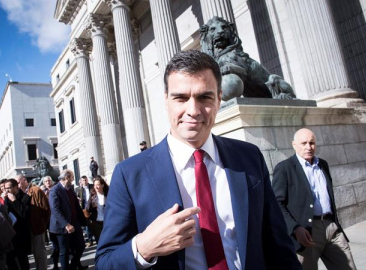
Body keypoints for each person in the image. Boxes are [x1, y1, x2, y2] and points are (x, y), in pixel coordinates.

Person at [95, 50, 300, 269]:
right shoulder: (129, 175)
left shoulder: (249, 157)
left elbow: (278, 245)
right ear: (166, 100)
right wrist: (143, 248)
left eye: (204, 97)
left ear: (219, 98)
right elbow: (105, 262)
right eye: (181, 98)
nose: (193, 111)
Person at [272, 128, 357, 270]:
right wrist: (295, 228)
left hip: (331, 228)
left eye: (312, 143)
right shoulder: (285, 168)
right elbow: (276, 203)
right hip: (306, 233)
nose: (308, 147)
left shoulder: (322, 164)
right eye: (303, 143)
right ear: (294, 145)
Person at [49, 169, 88, 270]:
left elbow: (76, 206)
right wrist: (66, 224)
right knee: (64, 252)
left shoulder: (70, 189)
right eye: (72, 177)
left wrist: (83, 221)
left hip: (75, 223)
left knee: (80, 246)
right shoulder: (55, 190)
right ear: (66, 177)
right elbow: (55, 209)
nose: (73, 180)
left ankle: (73, 265)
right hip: (62, 226)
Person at [16, 174, 51, 270]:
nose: (18, 185)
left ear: (24, 180)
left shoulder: (36, 190)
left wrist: (42, 224)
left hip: (37, 227)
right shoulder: (18, 194)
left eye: (19, 182)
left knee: (39, 253)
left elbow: (45, 209)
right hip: (26, 229)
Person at [2, 178, 31, 270]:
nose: (7, 191)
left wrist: (14, 201)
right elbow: (4, 214)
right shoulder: (6, 199)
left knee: (23, 261)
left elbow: (24, 214)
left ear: (15, 187)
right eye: (5, 188)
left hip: (21, 234)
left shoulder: (25, 197)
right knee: (10, 261)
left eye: (8, 188)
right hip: (9, 234)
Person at [86, 176, 109, 243]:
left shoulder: (108, 195)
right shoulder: (93, 196)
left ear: (102, 185)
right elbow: (87, 208)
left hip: (108, 221)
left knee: (108, 240)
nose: (96, 187)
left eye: (98, 185)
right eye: (95, 185)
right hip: (97, 222)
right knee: (100, 241)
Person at [75, 175, 94, 247]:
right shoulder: (79, 189)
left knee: (94, 224)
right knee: (87, 226)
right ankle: (90, 240)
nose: (85, 181)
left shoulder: (92, 187)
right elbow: (77, 197)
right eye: (83, 180)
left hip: (92, 208)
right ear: (81, 181)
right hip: (84, 209)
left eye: (86, 180)